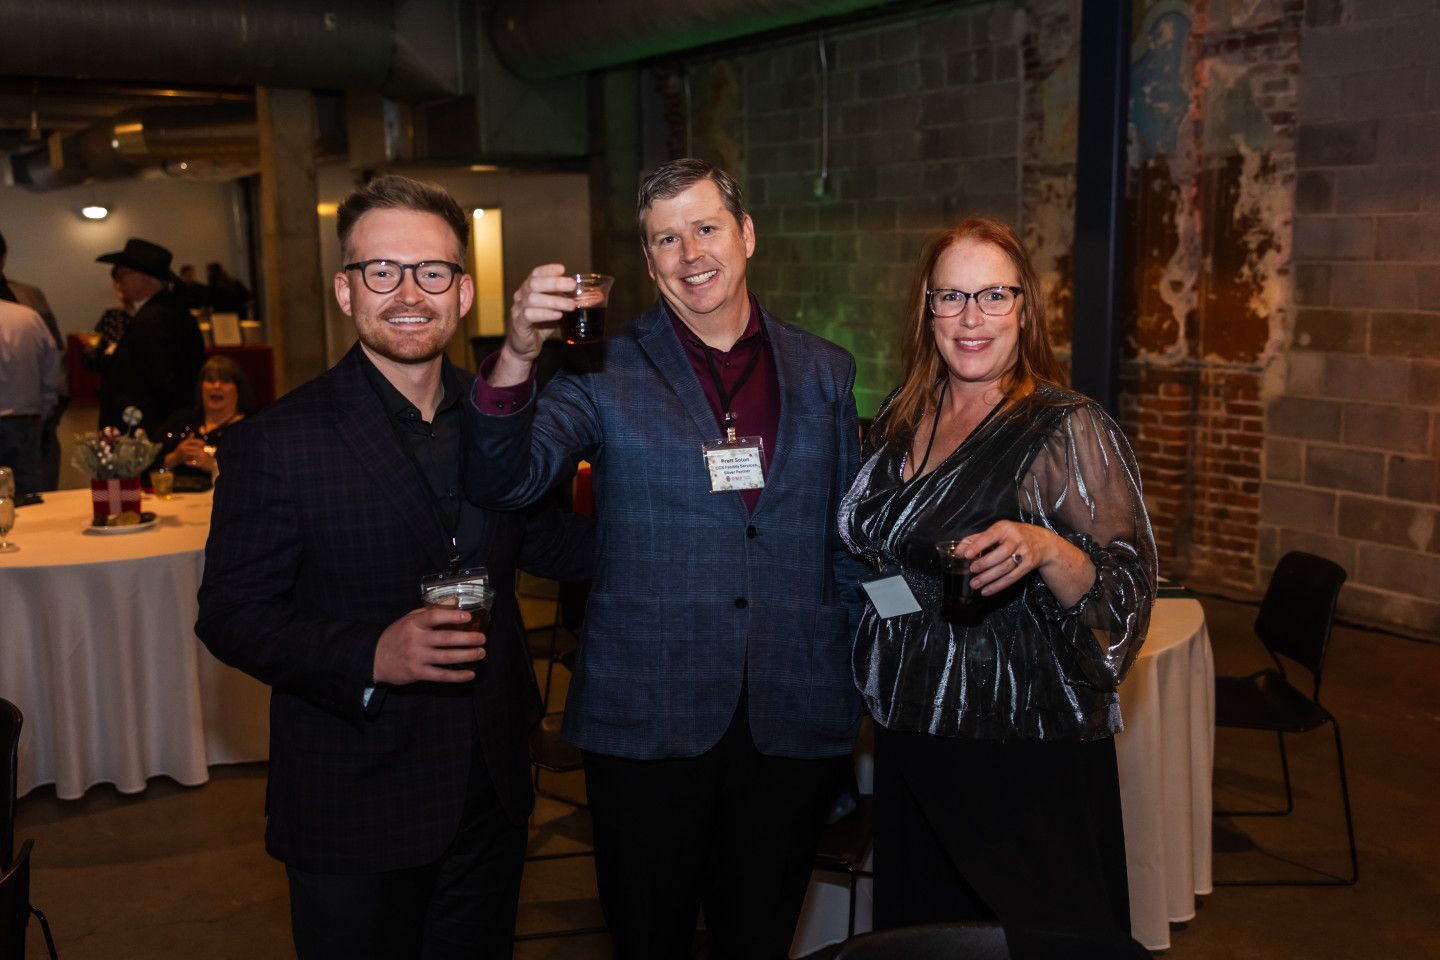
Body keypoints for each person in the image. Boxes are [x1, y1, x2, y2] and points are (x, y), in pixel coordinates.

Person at [465, 158, 866, 959]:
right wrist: (516, 353)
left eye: (706, 228)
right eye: (666, 240)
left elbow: (844, 535)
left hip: (791, 713)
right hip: (649, 717)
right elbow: (505, 478)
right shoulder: (597, 370)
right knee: (649, 940)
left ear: (746, 236)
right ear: (648, 264)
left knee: (758, 937)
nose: (691, 254)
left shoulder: (825, 370)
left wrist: (865, 660)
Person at [196, 174, 592, 959]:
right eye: (381, 271)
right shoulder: (276, 443)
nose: (408, 292)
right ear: (346, 292)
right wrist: (368, 654)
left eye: (432, 271)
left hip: (492, 787)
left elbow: (546, 544)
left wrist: (703, 528)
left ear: (463, 291)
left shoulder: (502, 419)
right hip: (355, 796)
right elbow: (231, 614)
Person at [837, 219, 1157, 937]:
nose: (971, 318)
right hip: (912, 730)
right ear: (927, 308)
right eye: (951, 296)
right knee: (927, 936)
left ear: (1025, 308)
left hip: (1014, 742)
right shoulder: (903, 412)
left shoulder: (1064, 426)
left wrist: (1049, 549)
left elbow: (1125, 599)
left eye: (992, 295)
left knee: (1033, 935)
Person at [94, 238, 205, 437]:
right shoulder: (166, 311)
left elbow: (161, 380)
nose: (118, 282)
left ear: (144, 277)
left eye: (122, 274)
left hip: (148, 428)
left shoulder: (153, 319)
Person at [0, 229, 67, 491]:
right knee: (28, 491)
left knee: (28, 491)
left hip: (28, 419)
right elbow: (53, 364)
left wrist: (49, 410)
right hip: (26, 417)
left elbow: (54, 358)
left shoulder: (30, 298)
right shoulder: (26, 314)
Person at [149, 355, 258, 491]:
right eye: (210, 380)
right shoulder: (180, 420)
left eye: (225, 381)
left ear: (238, 389)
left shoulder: (251, 428)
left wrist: (213, 465)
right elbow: (143, 467)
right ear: (201, 387)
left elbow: (256, 477)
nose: (216, 386)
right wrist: (175, 457)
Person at [0, 298, 61, 499]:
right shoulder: (28, 317)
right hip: (24, 421)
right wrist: (43, 410)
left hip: (25, 421)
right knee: (26, 496)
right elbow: (51, 371)